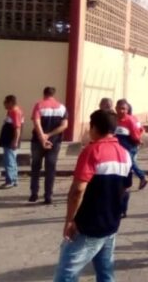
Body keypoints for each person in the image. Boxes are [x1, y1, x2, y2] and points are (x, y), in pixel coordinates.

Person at [53, 109, 132, 282]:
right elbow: (125, 189)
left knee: (66, 275)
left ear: (94, 127)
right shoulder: (125, 154)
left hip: (88, 226)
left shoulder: (92, 151)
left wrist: (70, 220)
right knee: (105, 273)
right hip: (111, 224)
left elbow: (77, 190)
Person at [30, 86, 68, 204]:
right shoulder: (62, 107)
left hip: (37, 141)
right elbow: (64, 125)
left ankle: (34, 194)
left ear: (44, 94)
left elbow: (36, 122)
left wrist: (42, 137)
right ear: (53, 94)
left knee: (35, 167)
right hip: (55, 142)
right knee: (50, 169)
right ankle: (48, 196)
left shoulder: (39, 105)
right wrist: (49, 135)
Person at [115, 99, 148, 191]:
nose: (121, 111)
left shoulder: (130, 120)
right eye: (119, 108)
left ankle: (142, 177)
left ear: (127, 110)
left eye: (123, 109)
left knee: (129, 162)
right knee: (127, 165)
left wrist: (138, 140)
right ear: (116, 108)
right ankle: (125, 184)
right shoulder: (114, 119)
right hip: (120, 147)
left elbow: (137, 132)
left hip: (130, 145)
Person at [0, 95, 24, 189]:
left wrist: (15, 141)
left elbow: (17, 128)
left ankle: (10, 181)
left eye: (5, 102)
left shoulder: (15, 112)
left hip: (10, 141)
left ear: (11, 103)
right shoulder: (11, 111)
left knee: (9, 161)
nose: (4, 104)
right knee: (11, 160)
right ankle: (14, 180)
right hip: (8, 140)